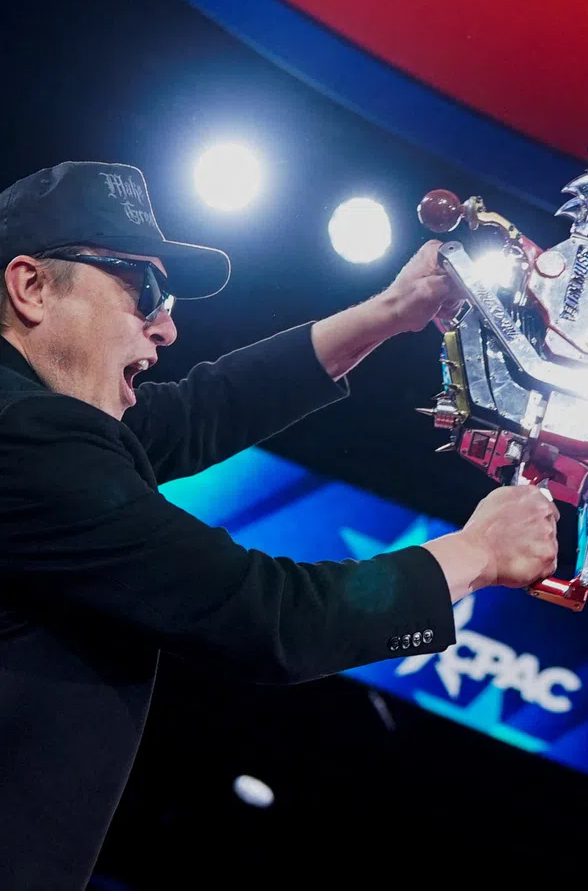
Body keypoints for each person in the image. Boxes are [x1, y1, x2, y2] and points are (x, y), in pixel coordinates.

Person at [0, 160, 558, 889]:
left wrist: (393, 308)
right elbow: (272, 618)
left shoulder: (36, 422)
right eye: (145, 292)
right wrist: (477, 552)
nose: (167, 325)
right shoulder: (26, 438)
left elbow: (206, 407)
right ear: (32, 288)